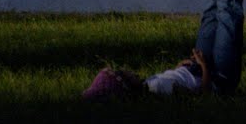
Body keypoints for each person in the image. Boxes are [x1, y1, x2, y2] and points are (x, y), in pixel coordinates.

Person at [82, 47, 211, 100]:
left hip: (193, 68)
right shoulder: (157, 87)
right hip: (207, 75)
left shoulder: (148, 84)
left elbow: (174, 79)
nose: (127, 70)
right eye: (122, 72)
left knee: (212, 11)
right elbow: (200, 94)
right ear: (125, 83)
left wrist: (178, 67)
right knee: (224, 13)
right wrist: (204, 66)